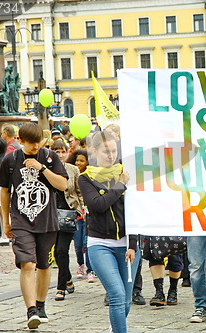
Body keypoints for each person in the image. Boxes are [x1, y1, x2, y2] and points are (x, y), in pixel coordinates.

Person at [0, 123, 68, 329]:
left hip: (47, 220)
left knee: (44, 265)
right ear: (20, 140)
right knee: (27, 263)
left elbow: (62, 185)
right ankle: (31, 310)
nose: (36, 146)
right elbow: (5, 191)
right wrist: (6, 222)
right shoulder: (10, 160)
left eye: (38, 142)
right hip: (21, 220)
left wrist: (42, 168)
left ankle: (41, 304)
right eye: (31, 143)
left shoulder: (50, 157)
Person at [78, 131, 139, 333]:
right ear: (95, 152)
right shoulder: (86, 178)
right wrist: (120, 185)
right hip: (100, 244)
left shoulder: (126, 172)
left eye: (114, 151)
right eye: (106, 152)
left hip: (127, 246)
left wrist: (132, 245)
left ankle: (115, 329)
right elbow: (98, 205)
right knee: (117, 295)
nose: (111, 156)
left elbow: (136, 212)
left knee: (126, 302)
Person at [51, 140, 84, 301]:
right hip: (51, 215)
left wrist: (82, 208)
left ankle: (61, 287)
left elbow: (79, 191)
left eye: (63, 151)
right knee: (56, 252)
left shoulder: (73, 170)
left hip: (69, 213)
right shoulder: (47, 169)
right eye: (57, 151)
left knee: (61, 250)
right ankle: (68, 278)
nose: (60, 155)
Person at [65, 149, 94, 281]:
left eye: (82, 160)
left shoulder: (90, 175)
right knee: (77, 244)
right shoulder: (71, 172)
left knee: (86, 242)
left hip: (87, 213)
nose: (79, 163)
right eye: (77, 160)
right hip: (75, 213)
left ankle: (90, 268)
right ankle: (80, 264)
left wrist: (85, 208)